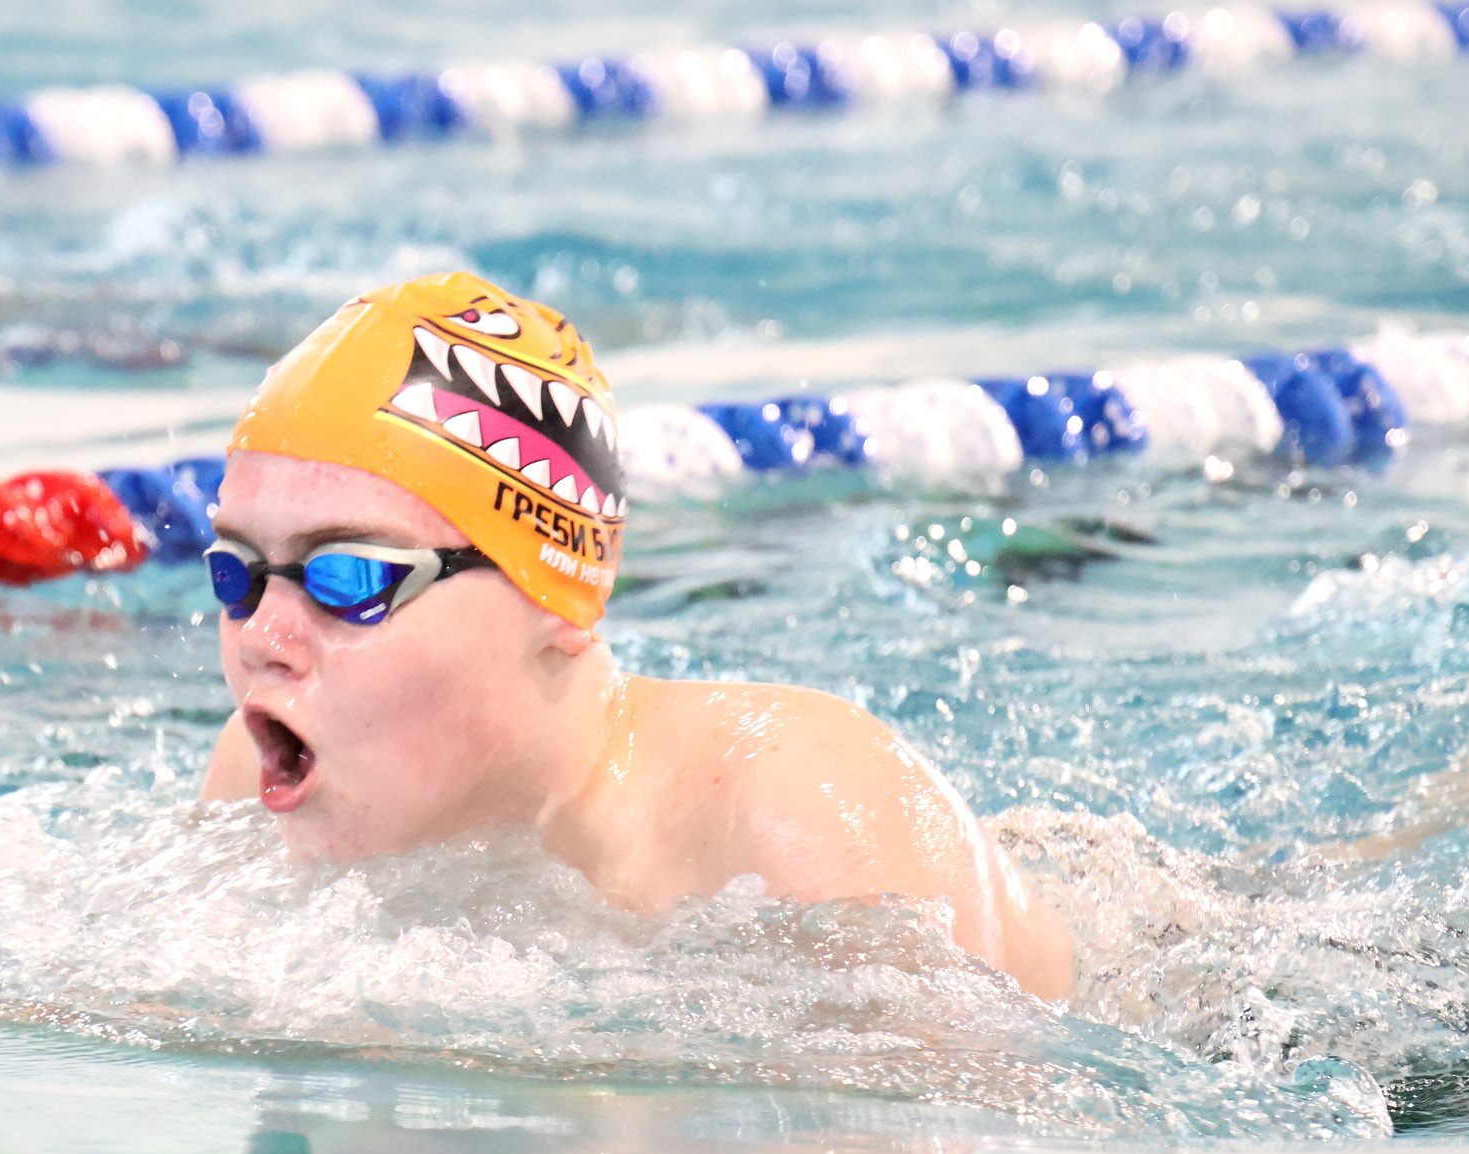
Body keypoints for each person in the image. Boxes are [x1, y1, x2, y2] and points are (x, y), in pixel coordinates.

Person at [199, 272, 1075, 1002]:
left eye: (348, 578)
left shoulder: (792, 824)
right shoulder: (253, 779)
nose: (262, 638)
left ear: (559, 594)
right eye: (235, 572)